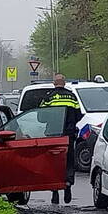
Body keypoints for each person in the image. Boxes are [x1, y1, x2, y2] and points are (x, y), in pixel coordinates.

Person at [38, 74, 83, 205]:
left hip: (53, 135)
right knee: (68, 160)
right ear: (64, 83)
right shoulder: (72, 96)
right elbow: (79, 115)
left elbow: (41, 117)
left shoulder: (48, 97)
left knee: (54, 162)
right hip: (68, 135)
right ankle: (68, 184)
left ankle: (55, 191)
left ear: (54, 83)